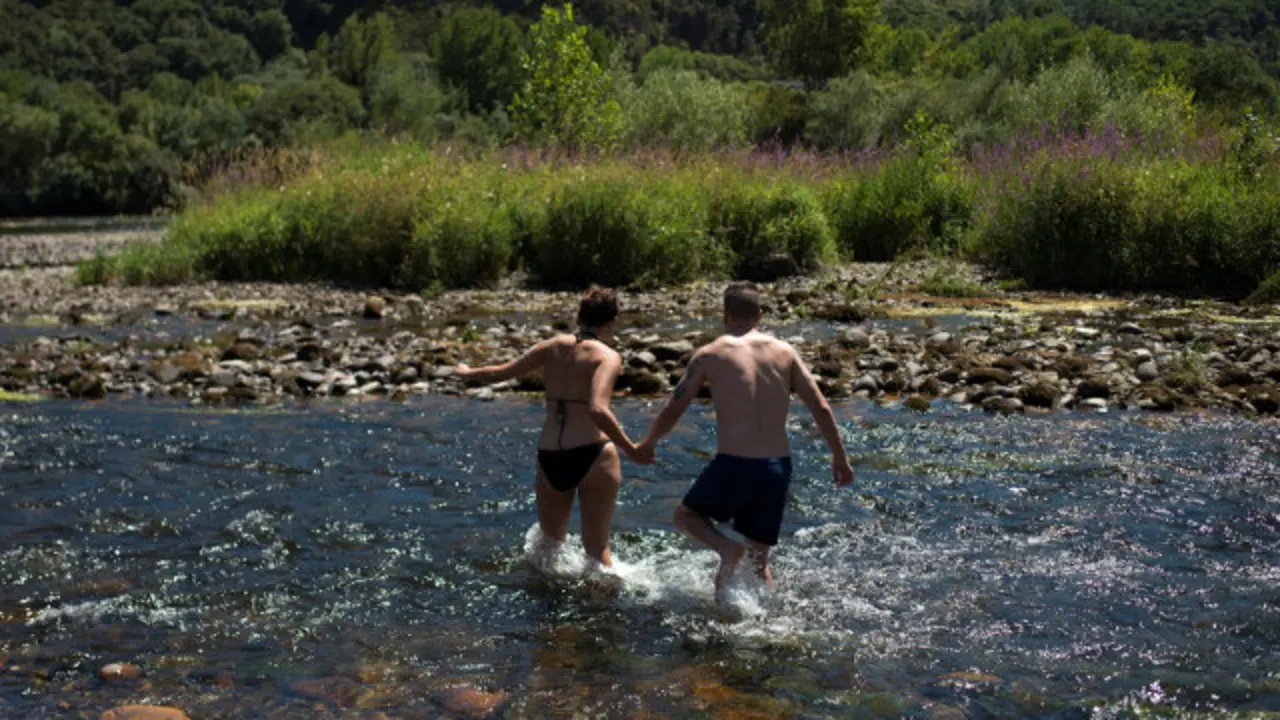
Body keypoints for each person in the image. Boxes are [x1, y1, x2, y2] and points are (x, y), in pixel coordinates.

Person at [637, 281, 854, 601]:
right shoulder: (785, 352)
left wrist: (649, 442)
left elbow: (675, 405)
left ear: (725, 315)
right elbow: (820, 406)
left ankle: (726, 549)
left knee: (687, 517)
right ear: (760, 315)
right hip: (777, 469)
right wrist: (839, 456)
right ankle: (769, 623)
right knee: (758, 562)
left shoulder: (710, 354)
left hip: (734, 465)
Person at [454, 286, 648, 570]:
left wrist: (467, 372)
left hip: (550, 455)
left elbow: (501, 372)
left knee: (549, 547)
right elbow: (597, 408)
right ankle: (606, 606)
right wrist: (632, 449)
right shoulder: (607, 356)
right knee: (597, 549)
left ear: (579, 315)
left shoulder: (552, 346)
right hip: (593, 453)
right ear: (612, 320)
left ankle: (547, 607)